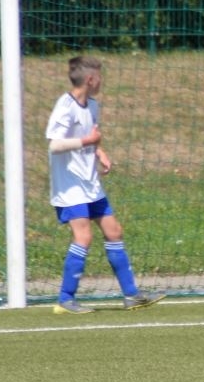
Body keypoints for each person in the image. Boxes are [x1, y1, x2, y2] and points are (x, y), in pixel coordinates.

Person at [45, 56, 165, 314]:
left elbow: (90, 137)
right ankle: (65, 299)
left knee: (114, 231)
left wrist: (100, 152)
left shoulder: (92, 106)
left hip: (90, 184)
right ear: (90, 79)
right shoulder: (65, 106)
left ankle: (132, 295)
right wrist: (88, 142)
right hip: (70, 187)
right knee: (84, 237)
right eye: (99, 77)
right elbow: (55, 144)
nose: (101, 82)